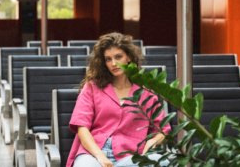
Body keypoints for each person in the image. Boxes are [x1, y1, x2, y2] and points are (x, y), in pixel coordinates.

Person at [67, 32, 171, 167]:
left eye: (118, 57)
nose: (113, 63)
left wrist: (153, 141)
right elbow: (82, 128)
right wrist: (100, 157)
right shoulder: (92, 87)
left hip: (131, 156)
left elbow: (162, 129)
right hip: (93, 153)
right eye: (108, 59)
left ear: (128, 57)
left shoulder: (146, 93)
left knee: (163, 161)